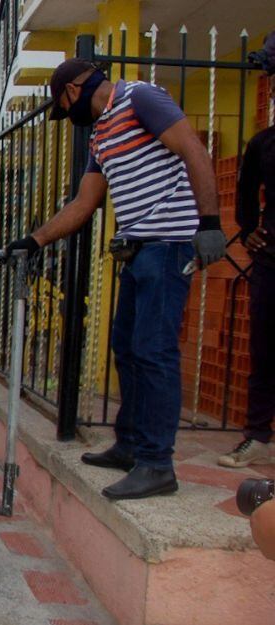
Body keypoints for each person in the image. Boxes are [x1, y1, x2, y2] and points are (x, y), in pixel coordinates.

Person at [6, 59, 226, 500]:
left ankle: (157, 463)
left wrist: (210, 223)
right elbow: (83, 203)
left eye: (64, 109)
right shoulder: (100, 135)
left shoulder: (141, 98)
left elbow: (193, 149)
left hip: (169, 244)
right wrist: (34, 240)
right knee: (127, 348)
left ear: (72, 91)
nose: (70, 117)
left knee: (154, 351)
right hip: (137, 250)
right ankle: (129, 446)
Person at [219, 48, 275, 468]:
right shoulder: (264, 143)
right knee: (264, 349)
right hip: (272, 260)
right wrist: (249, 227)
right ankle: (257, 436)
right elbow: (244, 194)